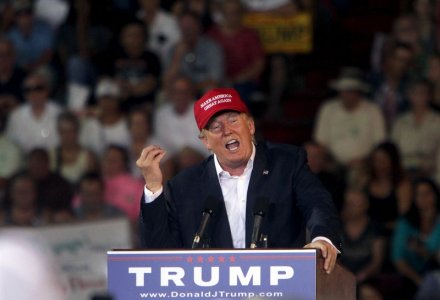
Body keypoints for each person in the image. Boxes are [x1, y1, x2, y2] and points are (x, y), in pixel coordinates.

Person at [137, 87, 342, 274]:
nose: (227, 131)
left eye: (233, 120)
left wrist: (322, 240)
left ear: (250, 126)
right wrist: (154, 188)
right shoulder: (184, 186)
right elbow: (161, 252)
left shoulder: (287, 164)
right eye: (216, 127)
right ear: (205, 141)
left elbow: (317, 204)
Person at [391, 178, 440, 299]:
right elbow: (398, 258)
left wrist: (427, 252)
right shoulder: (405, 223)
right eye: (419, 194)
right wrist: (418, 280)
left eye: (427, 193)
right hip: (410, 278)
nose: (423, 198)